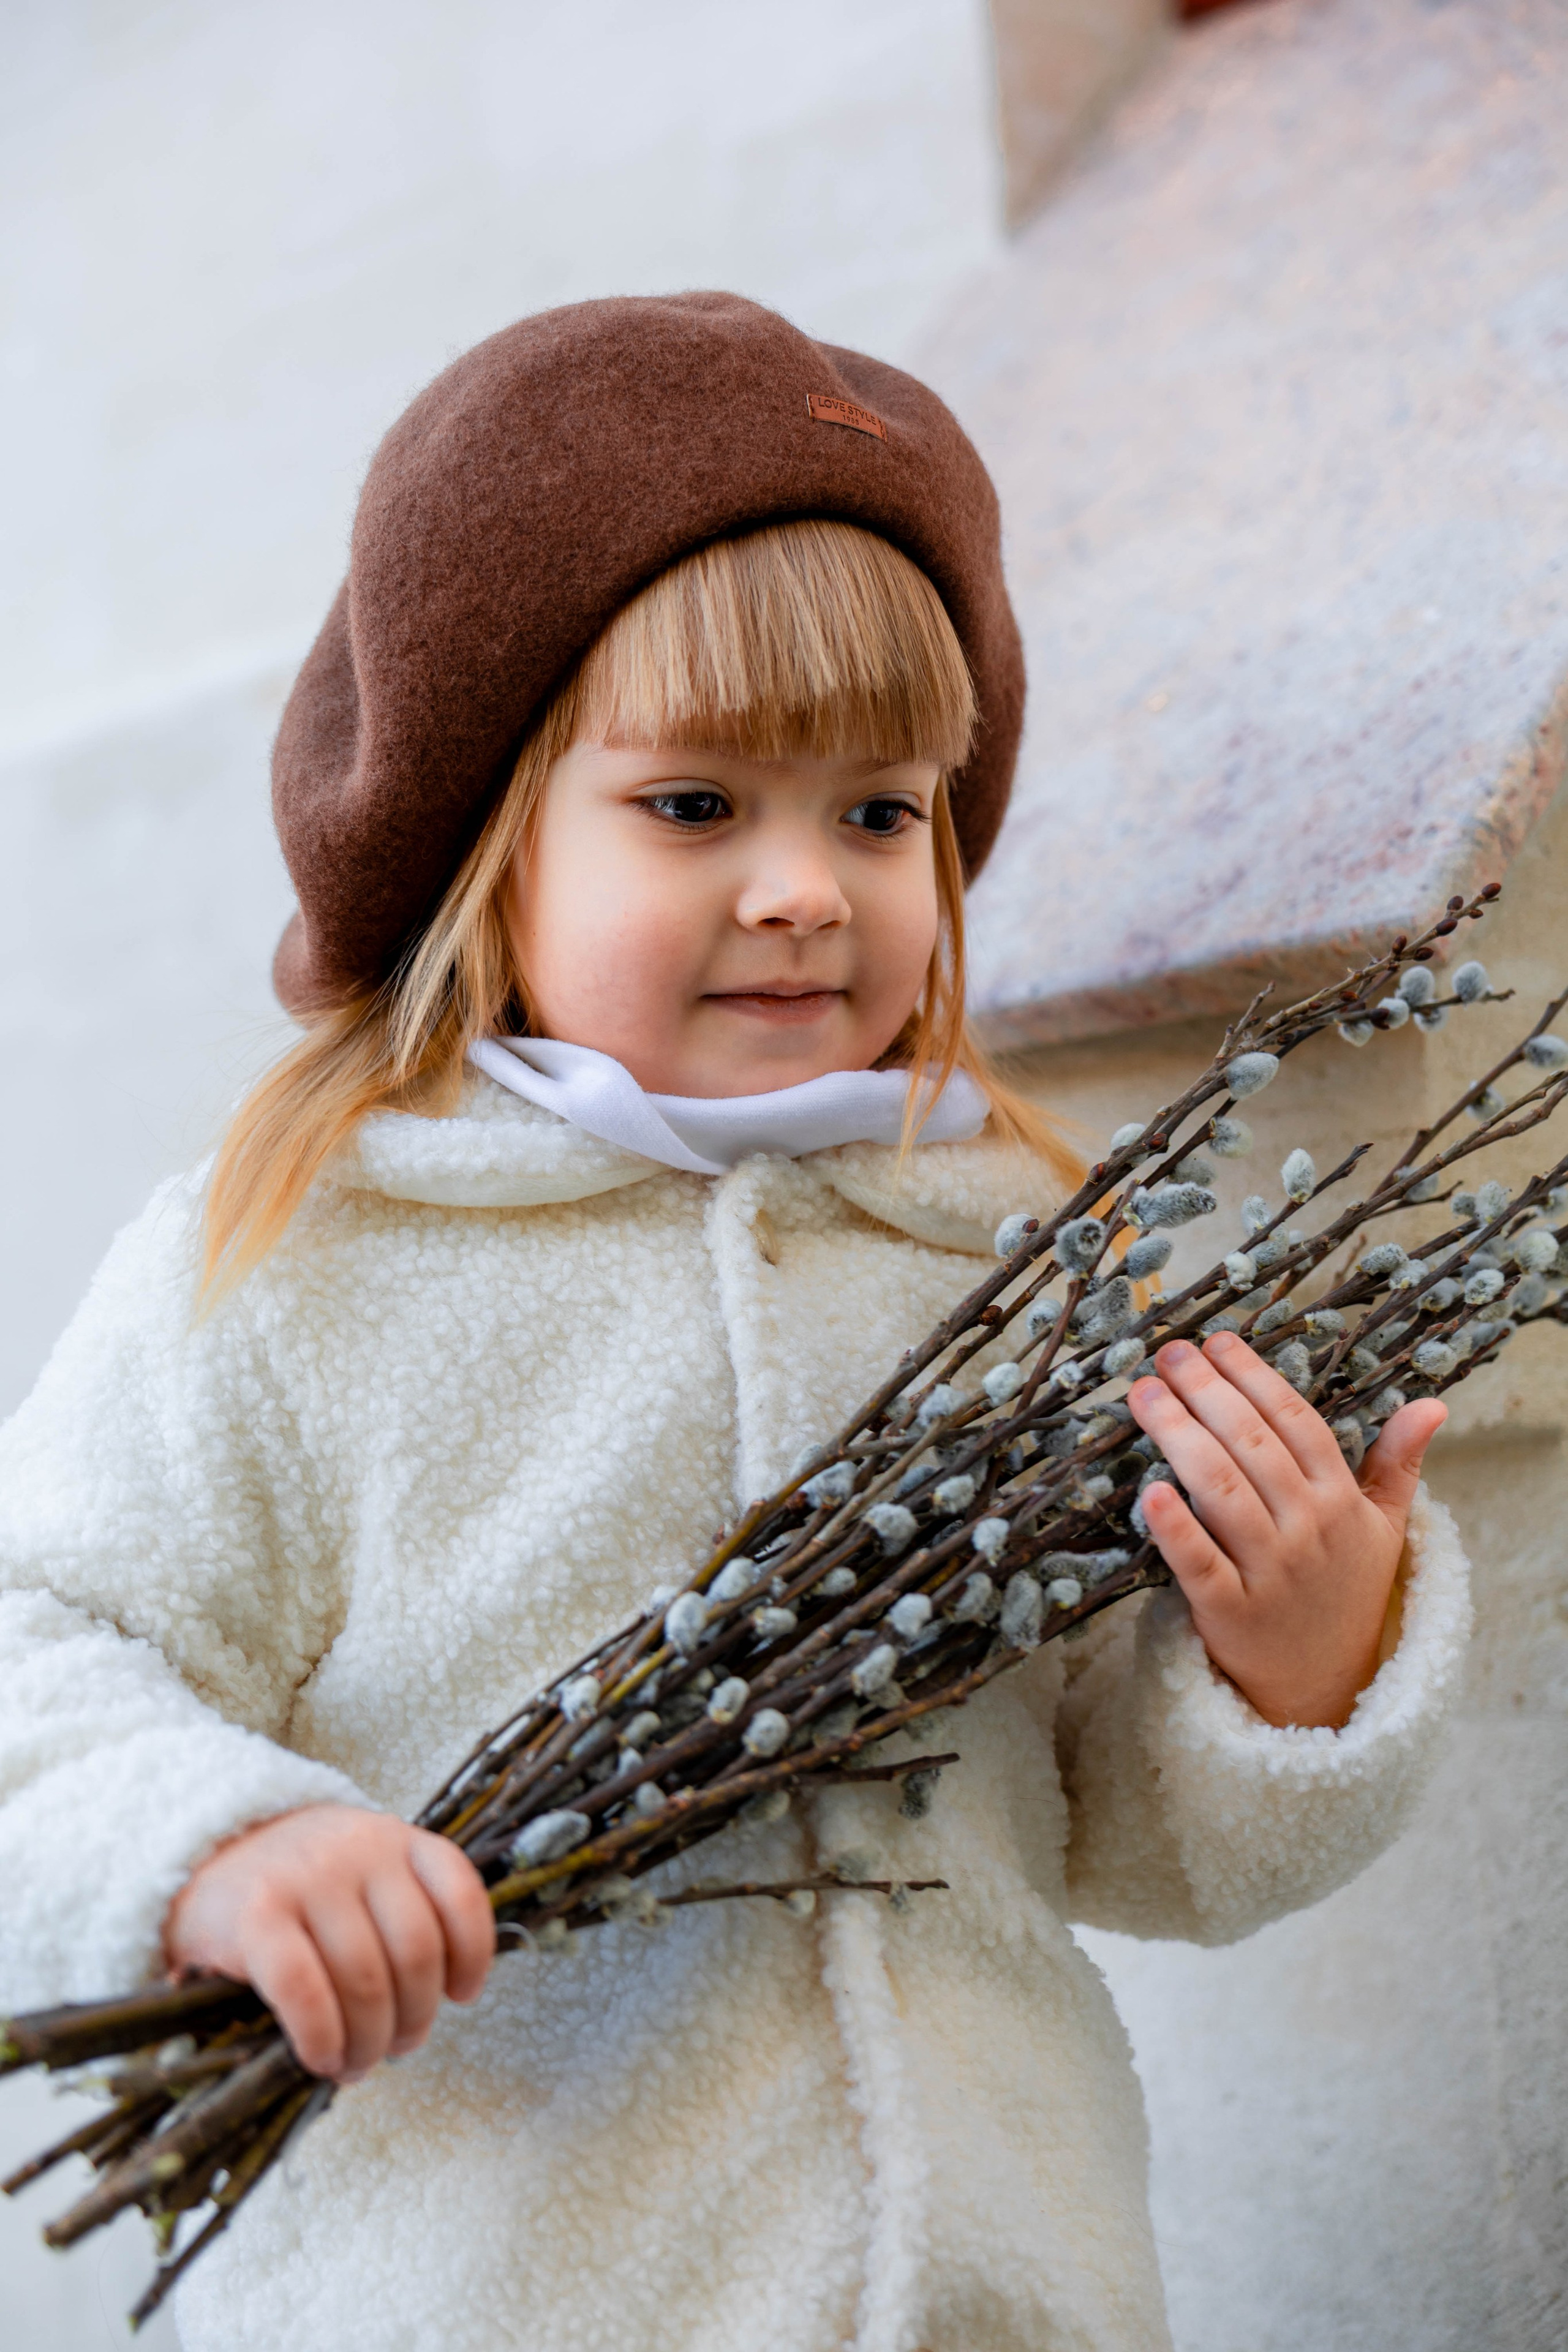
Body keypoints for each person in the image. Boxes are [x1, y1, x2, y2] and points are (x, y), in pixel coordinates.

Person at [0, 295, 1469, 2352]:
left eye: (880, 813)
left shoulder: (1013, 1269)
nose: (807, 889)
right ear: (484, 838)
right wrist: (219, 1854)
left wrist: (1287, 1670)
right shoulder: (308, 1264)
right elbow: (42, 1648)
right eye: (696, 806)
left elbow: (1127, 1826)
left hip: (1007, 2303)